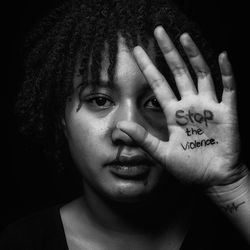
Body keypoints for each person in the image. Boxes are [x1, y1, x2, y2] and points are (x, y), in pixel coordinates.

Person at [1, 0, 250, 249]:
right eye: (99, 100)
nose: (129, 129)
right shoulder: (21, 242)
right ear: (62, 118)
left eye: (155, 102)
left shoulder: (231, 231)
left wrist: (231, 185)